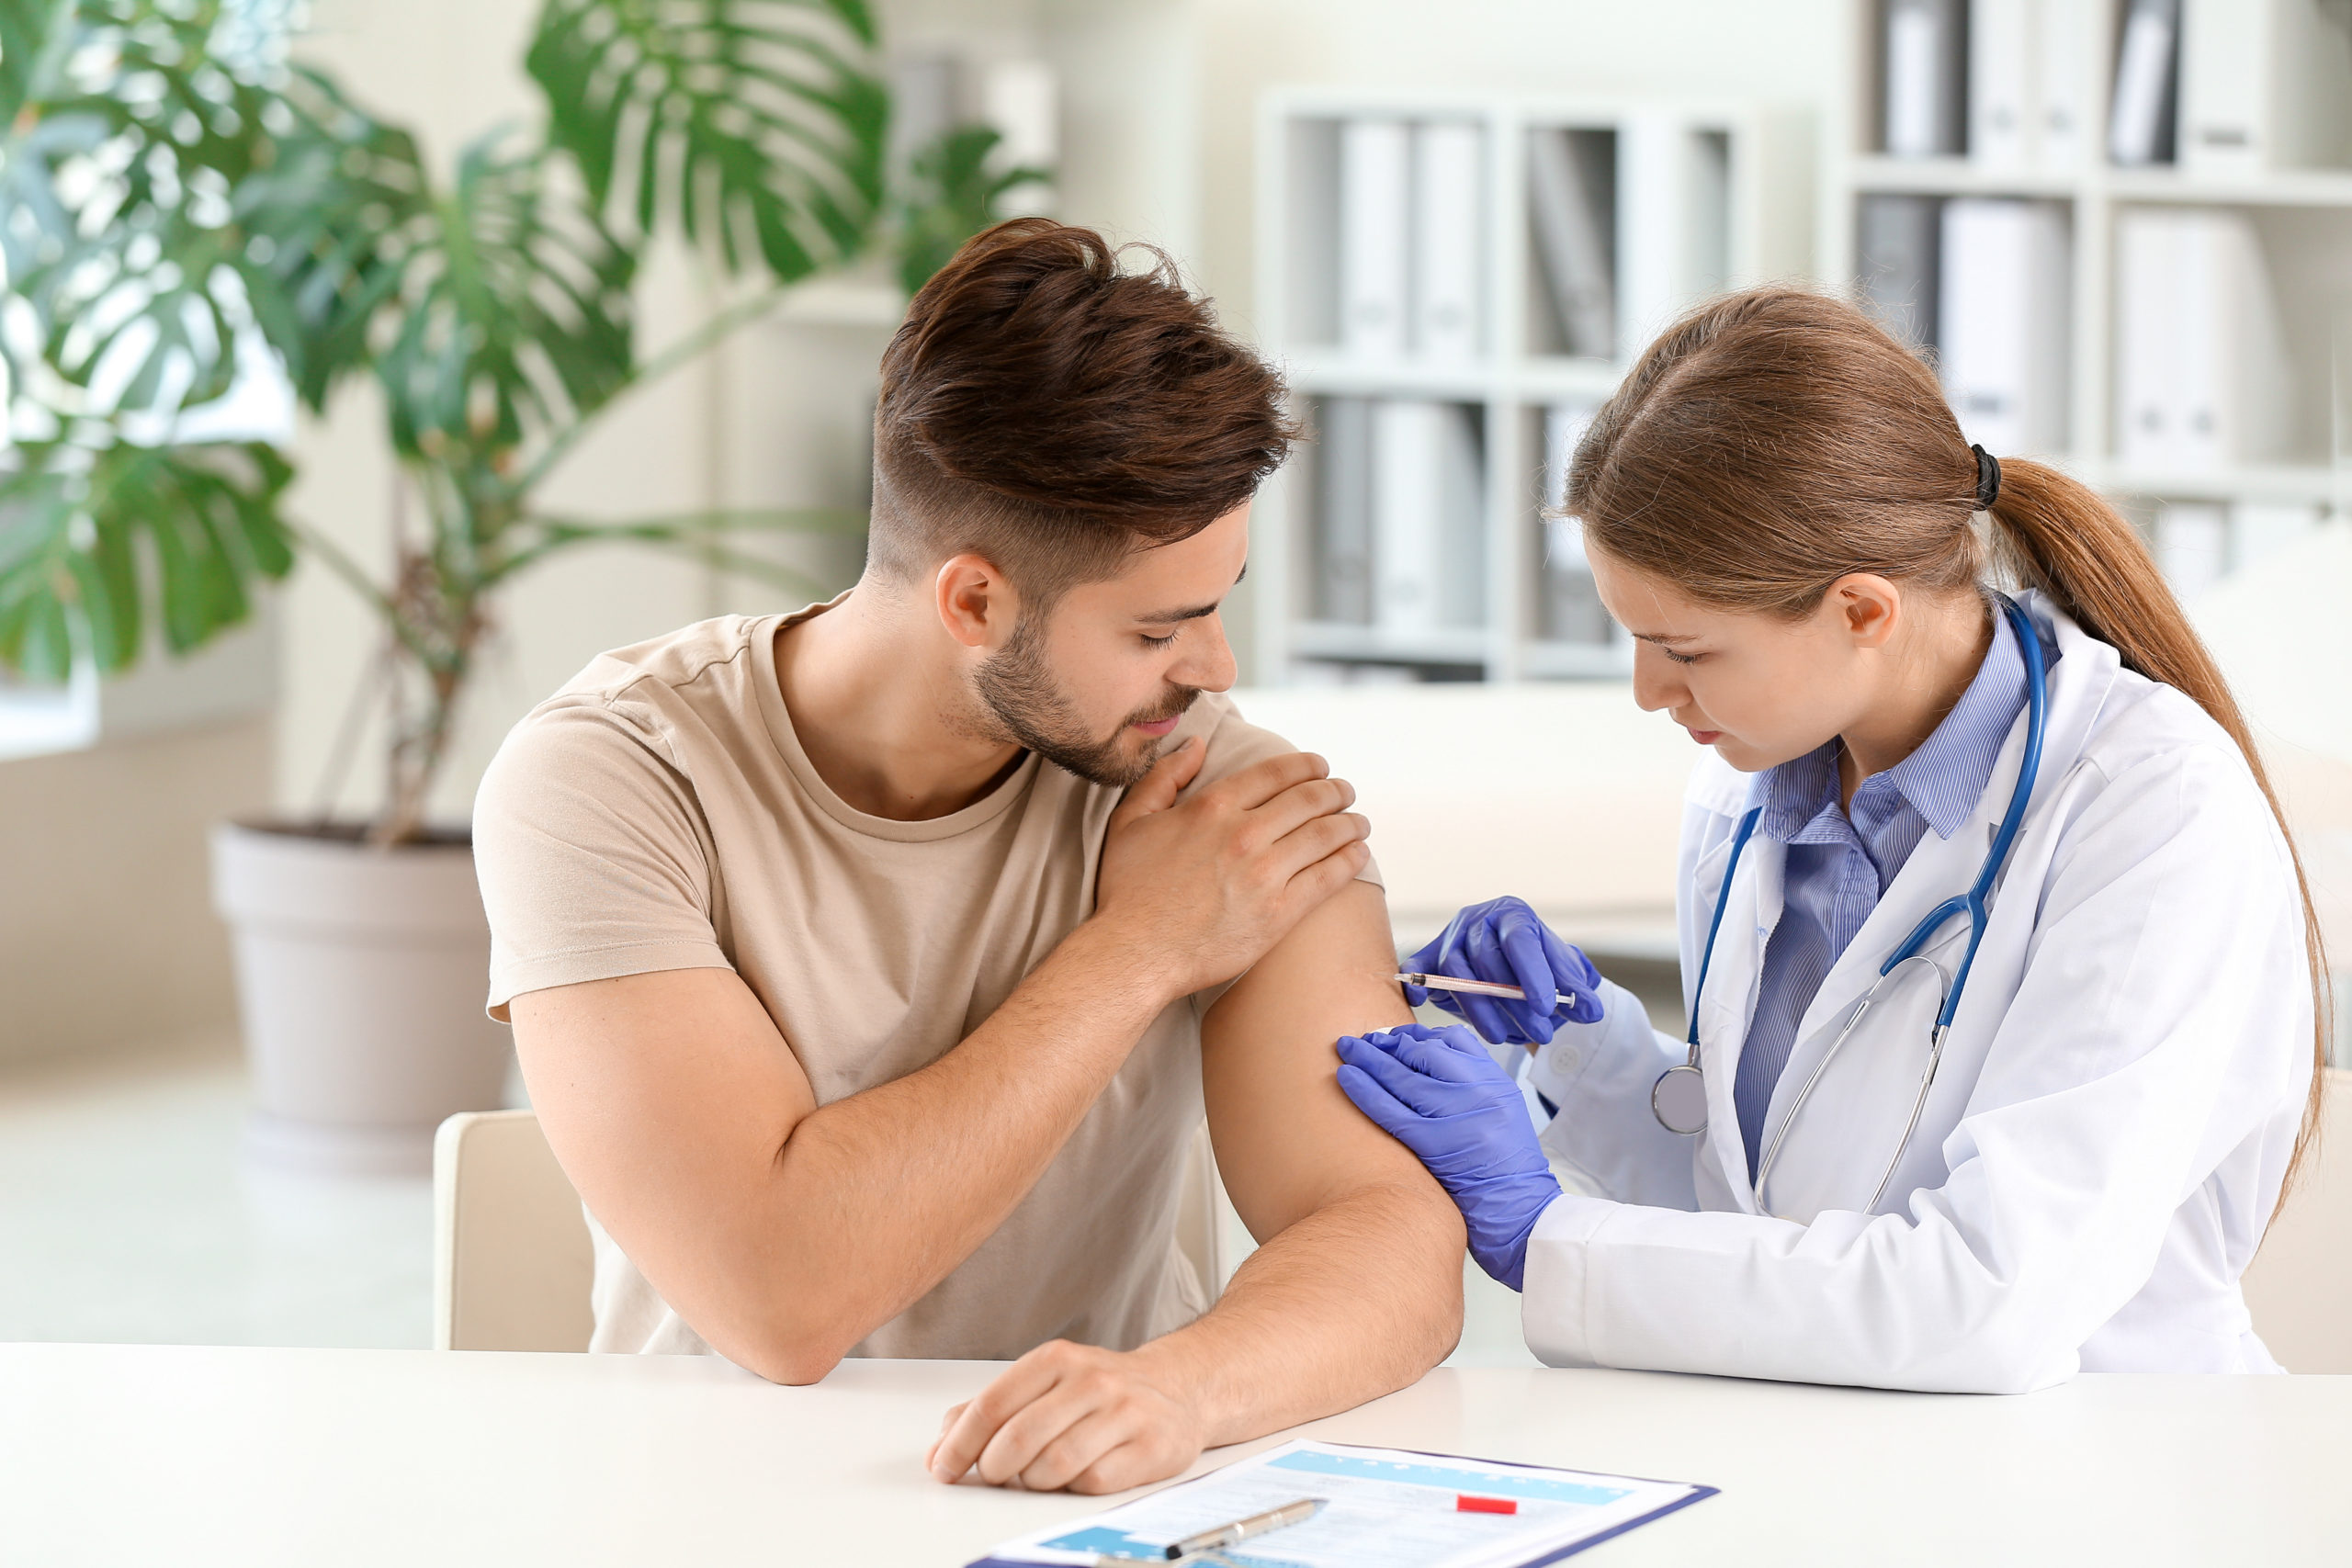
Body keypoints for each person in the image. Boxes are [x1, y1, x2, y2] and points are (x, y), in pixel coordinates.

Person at [473, 220, 1464, 1494]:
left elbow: (1386, 1238)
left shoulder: (1218, 797)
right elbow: (782, 1298)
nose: (1214, 668)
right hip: (719, 1488)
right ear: (975, 602)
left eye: (1219, 608)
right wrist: (1141, 946)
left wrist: (1181, 1384)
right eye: (1162, 627)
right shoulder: (611, 780)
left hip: (1090, 1499)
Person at [1337, 287, 2324, 1392]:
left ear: (1862, 609)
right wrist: (1588, 1054)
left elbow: (1986, 1300)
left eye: (1686, 649)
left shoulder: (2150, 813)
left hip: (2101, 1476)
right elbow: (1780, 1211)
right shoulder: (1749, 786)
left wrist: (1544, 1232)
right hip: (1834, 1448)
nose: (1647, 691)